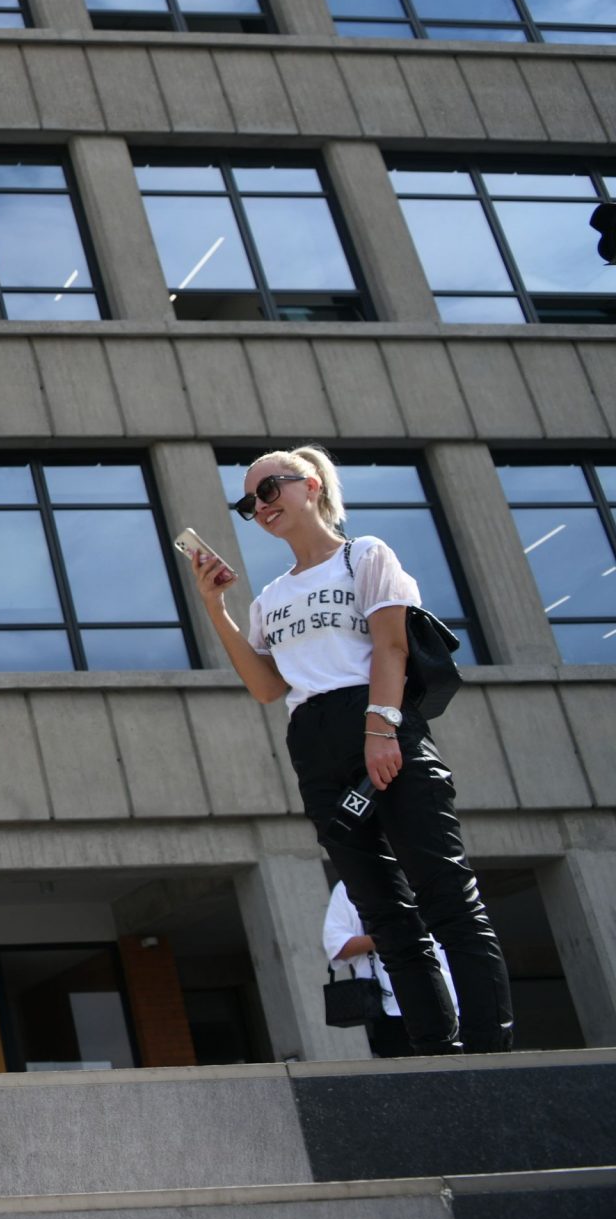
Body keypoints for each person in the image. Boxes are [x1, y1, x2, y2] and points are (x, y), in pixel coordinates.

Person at [188, 444, 512, 1054]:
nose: (260, 507)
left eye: (269, 490)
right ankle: (435, 1052)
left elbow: (391, 648)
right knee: (383, 913)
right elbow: (266, 687)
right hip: (312, 741)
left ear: (310, 485)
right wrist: (217, 608)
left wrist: (382, 730)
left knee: (446, 895)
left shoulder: (364, 556)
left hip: (378, 720)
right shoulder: (270, 598)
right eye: (248, 502)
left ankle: (491, 1052)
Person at [325, 878, 453, 1060]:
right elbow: (337, 947)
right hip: (394, 1008)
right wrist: (391, 934)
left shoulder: (424, 871)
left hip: (450, 997)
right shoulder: (349, 885)